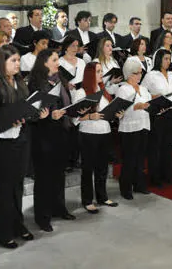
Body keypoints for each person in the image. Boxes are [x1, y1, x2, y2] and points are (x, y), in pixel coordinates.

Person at [0, 45, 41, 249]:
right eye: (13, 61)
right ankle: (4, 233)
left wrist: (32, 113)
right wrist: (10, 119)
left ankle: (18, 225)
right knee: (3, 190)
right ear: (2, 62)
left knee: (17, 186)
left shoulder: (19, 81)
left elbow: (25, 105)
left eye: (18, 60)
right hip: (2, 142)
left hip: (20, 139)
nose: (17, 64)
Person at [27, 49, 76, 232]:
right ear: (44, 63)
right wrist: (48, 116)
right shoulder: (35, 84)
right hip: (43, 135)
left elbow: (65, 103)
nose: (58, 62)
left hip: (61, 132)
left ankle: (59, 207)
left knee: (58, 174)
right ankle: (43, 216)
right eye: (55, 60)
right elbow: (33, 112)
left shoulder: (59, 80)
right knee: (44, 178)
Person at [73, 62, 121, 213]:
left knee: (102, 168)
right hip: (88, 134)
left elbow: (108, 110)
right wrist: (89, 116)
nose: (101, 74)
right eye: (98, 71)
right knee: (88, 169)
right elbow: (74, 117)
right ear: (90, 74)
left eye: (101, 71)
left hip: (105, 132)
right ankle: (87, 200)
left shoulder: (103, 90)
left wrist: (117, 113)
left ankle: (102, 197)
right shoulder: (81, 92)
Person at [142, 49, 172, 187]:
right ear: (159, 60)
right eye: (166, 59)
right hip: (157, 114)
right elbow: (142, 93)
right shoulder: (151, 75)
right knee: (155, 146)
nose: (168, 62)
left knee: (167, 146)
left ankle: (167, 174)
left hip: (170, 112)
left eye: (169, 59)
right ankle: (155, 177)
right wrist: (154, 97)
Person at [116, 60, 152, 199]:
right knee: (129, 159)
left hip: (143, 125)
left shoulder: (143, 89)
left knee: (141, 158)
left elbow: (149, 103)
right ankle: (126, 188)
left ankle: (139, 185)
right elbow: (120, 110)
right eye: (137, 73)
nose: (139, 75)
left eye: (140, 72)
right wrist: (136, 107)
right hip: (129, 128)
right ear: (129, 74)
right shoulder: (123, 89)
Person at [59, 37, 85, 170]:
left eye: (77, 46)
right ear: (66, 47)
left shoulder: (81, 62)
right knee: (67, 129)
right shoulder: (60, 62)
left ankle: (76, 158)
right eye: (73, 45)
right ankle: (67, 160)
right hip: (66, 97)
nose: (76, 48)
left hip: (80, 95)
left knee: (79, 128)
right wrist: (65, 84)